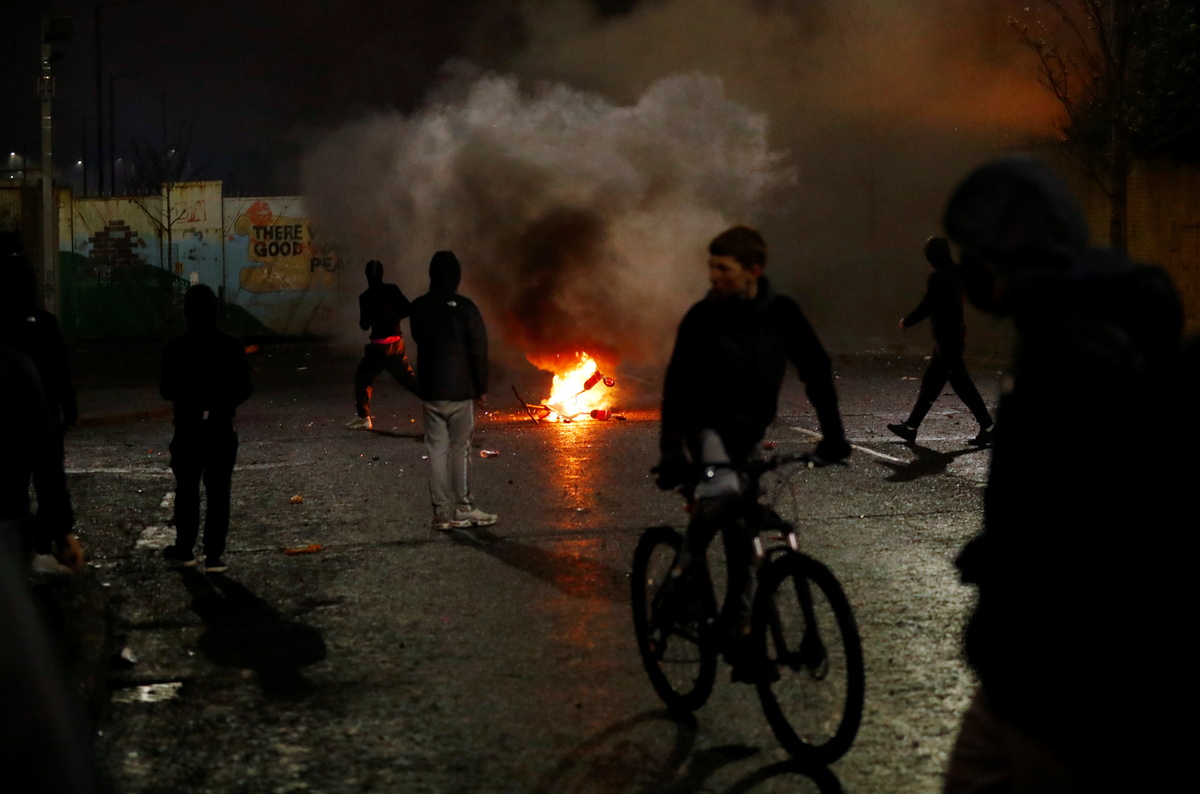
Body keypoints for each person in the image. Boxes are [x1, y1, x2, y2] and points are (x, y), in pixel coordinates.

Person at [939, 156, 1186, 792]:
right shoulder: (1057, 324)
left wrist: (1009, 558)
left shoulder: (1077, 348)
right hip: (1024, 672)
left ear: (1010, 257)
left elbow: (1097, 511)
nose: (969, 273)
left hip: (1059, 679)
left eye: (976, 257)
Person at [655, 225, 851, 679]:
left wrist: (834, 435)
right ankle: (678, 583)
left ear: (754, 271)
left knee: (746, 530)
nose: (713, 276)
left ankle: (741, 631)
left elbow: (816, 370)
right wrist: (672, 452)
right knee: (724, 493)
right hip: (706, 426)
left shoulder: (781, 313)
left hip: (748, 431)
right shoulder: (702, 317)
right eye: (711, 267)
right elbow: (677, 387)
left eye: (723, 269)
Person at [0, 257, 84, 575]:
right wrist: (69, 406)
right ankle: (44, 545)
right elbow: (60, 369)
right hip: (43, 414)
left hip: (10, 422)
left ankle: (21, 549)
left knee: (15, 484)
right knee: (47, 476)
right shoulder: (45, 322)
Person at [160, 284, 253, 572]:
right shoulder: (231, 345)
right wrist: (222, 403)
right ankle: (213, 554)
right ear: (216, 311)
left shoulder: (175, 348)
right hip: (220, 427)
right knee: (219, 493)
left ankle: (185, 548)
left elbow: (166, 390)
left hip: (188, 428)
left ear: (186, 312)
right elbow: (245, 388)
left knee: (187, 490)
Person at [408, 250, 495, 531]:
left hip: (431, 390)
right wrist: (481, 388)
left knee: (436, 450)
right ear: (456, 277)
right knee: (460, 449)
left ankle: (441, 514)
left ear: (432, 275)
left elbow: (419, 337)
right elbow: (479, 351)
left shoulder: (418, 307)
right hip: (460, 392)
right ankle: (463, 509)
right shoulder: (467, 308)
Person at [887, 237, 994, 445]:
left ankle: (988, 426)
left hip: (947, 340)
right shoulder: (958, 272)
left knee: (961, 385)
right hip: (953, 336)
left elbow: (927, 305)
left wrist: (907, 322)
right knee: (931, 384)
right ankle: (911, 427)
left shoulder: (938, 278)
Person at [346, 259, 420, 431]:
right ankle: (440, 405)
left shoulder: (365, 297)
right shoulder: (392, 289)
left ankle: (364, 418)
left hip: (379, 347)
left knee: (363, 378)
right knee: (409, 380)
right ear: (382, 274)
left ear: (367, 275)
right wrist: (394, 316)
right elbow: (408, 309)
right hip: (396, 344)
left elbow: (364, 325)